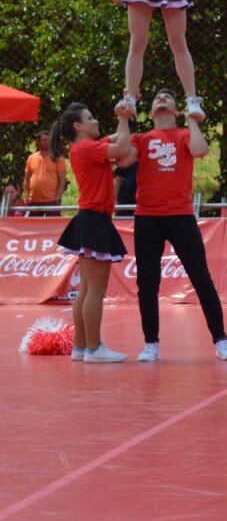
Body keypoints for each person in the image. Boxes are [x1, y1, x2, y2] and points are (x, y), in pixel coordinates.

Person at [127, 89, 227, 362]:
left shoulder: (185, 135)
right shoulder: (141, 138)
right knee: (147, 283)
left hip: (180, 215)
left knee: (201, 278)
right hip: (147, 217)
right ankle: (150, 343)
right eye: (156, 99)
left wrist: (192, 119)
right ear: (151, 112)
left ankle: (221, 339)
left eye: (167, 98)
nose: (161, 100)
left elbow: (200, 150)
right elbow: (123, 159)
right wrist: (125, 114)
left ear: (176, 110)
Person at [51, 101, 135, 363]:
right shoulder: (86, 147)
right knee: (96, 289)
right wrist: (123, 117)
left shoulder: (86, 146)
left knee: (88, 288)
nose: (96, 120)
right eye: (90, 117)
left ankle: (81, 347)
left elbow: (120, 140)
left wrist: (128, 105)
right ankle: (94, 348)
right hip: (94, 219)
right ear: (78, 126)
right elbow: (122, 147)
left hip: (90, 218)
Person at [24, 129, 66, 217]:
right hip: (33, 201)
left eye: (49, 140)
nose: (48, 142)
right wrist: (27, 196)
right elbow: (26, 179)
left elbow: (62, 180)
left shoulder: (58, 158)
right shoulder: (31, 158)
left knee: (53, 228)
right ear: (38, 142)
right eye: (45, 140)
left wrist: (58, 197)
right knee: (32, 228)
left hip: (51, 201)